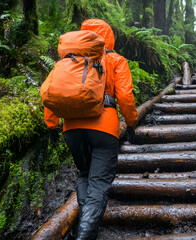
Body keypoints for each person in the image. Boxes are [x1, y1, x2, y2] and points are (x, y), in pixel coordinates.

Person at [44, 19, 138, 240]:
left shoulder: (68, 61)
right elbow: (125, 96)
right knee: (99, 182)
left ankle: (84, 224)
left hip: (71, 128)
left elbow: (52, 92)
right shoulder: (115, 60)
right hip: (104, 128)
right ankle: (85, 235)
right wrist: (131, 122)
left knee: (85, 174)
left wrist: (52, 125)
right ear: (109, 37)